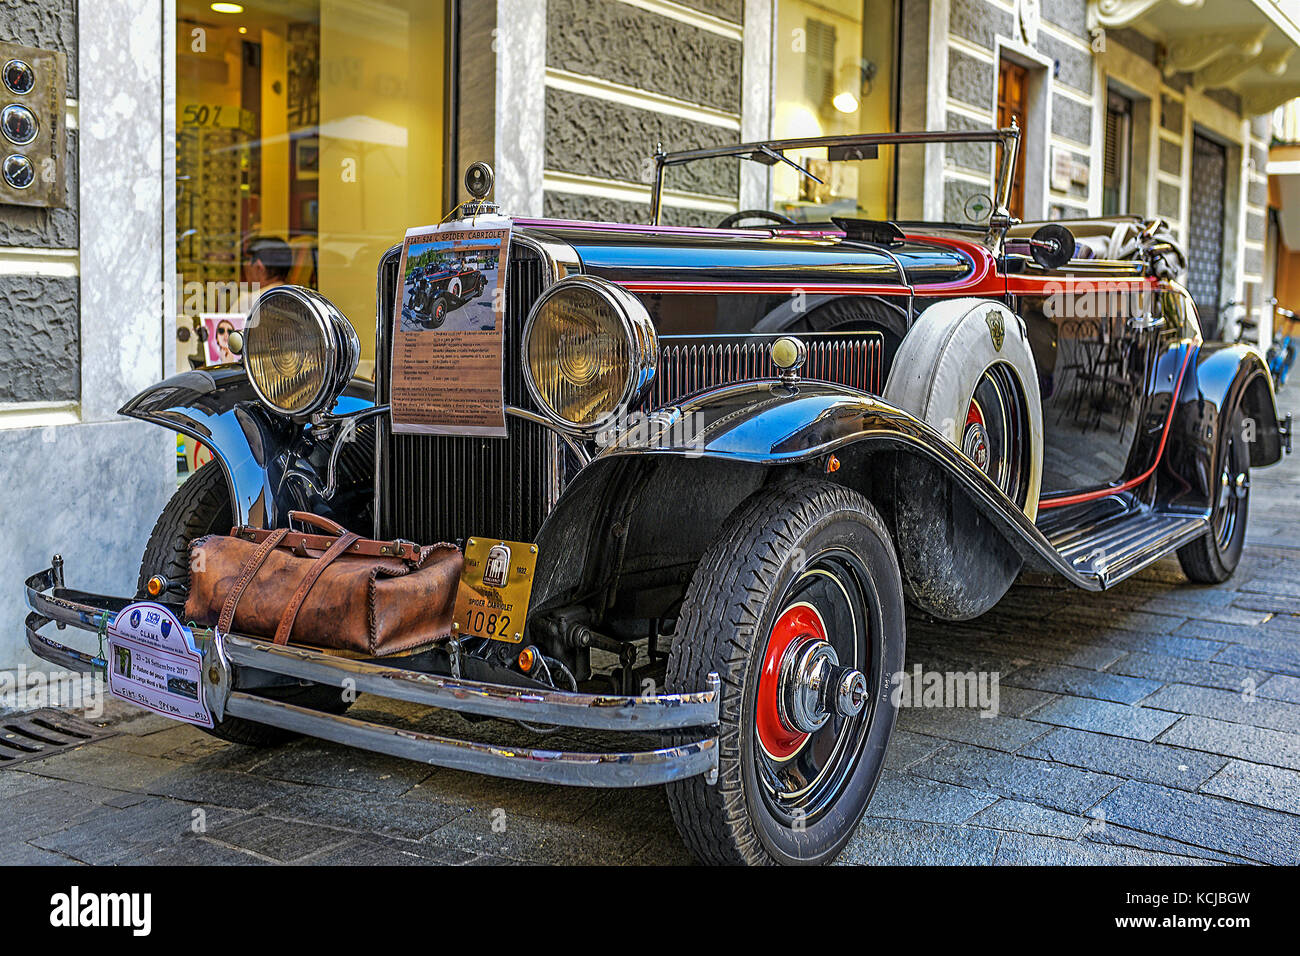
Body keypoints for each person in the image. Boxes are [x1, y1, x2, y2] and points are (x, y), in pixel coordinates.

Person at [236, 235, 294, 313]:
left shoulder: (246, 303)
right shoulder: (296, 299)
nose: (245, 265)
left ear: (259, 267)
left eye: (248, 259)